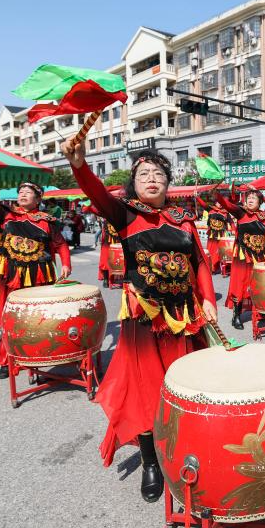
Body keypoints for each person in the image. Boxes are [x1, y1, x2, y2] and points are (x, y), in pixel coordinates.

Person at [62, 137, 216, 503]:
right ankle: (150, 461)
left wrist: (209, 299)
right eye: (144, 174)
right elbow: (98, 195)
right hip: (144, 320)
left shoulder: (183, 220)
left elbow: (199, 262)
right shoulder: (126, 215)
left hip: (183, 317)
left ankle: (185, 446)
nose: (152, 179)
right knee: (145, 392)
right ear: (133, 182)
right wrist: (80, 166)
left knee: (184, 384)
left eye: (159, 174)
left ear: (168, 182)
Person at [0, 164, 71, 378]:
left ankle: (40, 358)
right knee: (11, 318)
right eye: (20, 192)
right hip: (13, 277)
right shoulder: (6, 214)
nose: (23, 194)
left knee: (39, 319)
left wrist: (66, 264)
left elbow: (61, 244)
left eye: (28, 192)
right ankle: (8, 361)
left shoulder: (47, 221)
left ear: (38, 199)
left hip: (40, 276)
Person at [215, 185, 265, 329]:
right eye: (248, 198)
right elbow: (226, 204)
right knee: (239, 284)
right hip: (242, 256)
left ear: (260, 202)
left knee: (258, 284)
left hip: (259, 257)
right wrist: (216, 194)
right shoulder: (241, 212)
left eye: (254, 198)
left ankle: (262, 312)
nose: (250, 200)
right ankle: (236, 315)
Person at [197, 192, 231, 274]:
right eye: (218, 202)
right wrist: (197, 197)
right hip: (212, 235)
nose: (220, 204)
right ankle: (211, 267)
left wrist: (233, 232)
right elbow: (203, 205)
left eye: (221, 202)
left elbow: (231, 223)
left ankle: (220, 267)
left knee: (220, 252)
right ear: (215, 202)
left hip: (221, 236)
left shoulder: (226, 212)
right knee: (211, 251)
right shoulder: (210, 209)